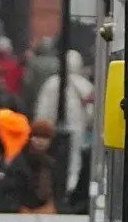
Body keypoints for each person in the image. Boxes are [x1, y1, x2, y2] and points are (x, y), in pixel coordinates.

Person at [34, 49, 95, 194]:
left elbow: (42, 108)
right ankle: (70, 186)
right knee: (74, 158)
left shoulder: (52, 82)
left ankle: (59, 185)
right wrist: (88, 122)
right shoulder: (83, 84)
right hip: (76, 126)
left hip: (55, 126)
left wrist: (42, 124)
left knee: (56, 157)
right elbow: (92, 110)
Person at [21, 40, 61, 113]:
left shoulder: (33, 63)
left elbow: (27, 82)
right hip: (54, 98)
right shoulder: (58, 62)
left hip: (37, 97)